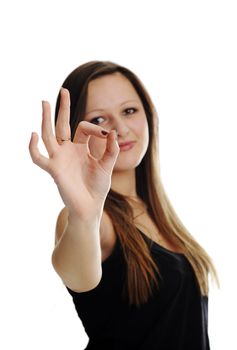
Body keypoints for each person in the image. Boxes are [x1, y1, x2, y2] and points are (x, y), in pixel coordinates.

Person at [29, 60, 219, 350]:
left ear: (148, 115)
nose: (119, 129)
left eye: (129, 111)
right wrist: (84, 215)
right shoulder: (94, 220)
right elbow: (78, 276)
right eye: (98, 120)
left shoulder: (157, 212)